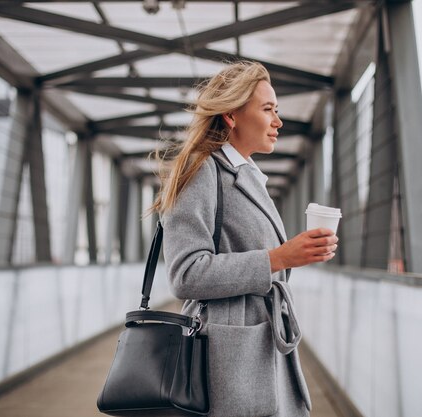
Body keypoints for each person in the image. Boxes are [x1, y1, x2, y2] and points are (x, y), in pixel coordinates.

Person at [151, 61, 339, 417]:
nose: (278, 121)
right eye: (268, 110)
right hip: (228, 357)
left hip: (256, 345)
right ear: (232, 116)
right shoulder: (201, 169)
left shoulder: (246, 174)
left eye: (277, 110)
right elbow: (186, 274)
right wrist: (278, 258)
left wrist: (297, 253)